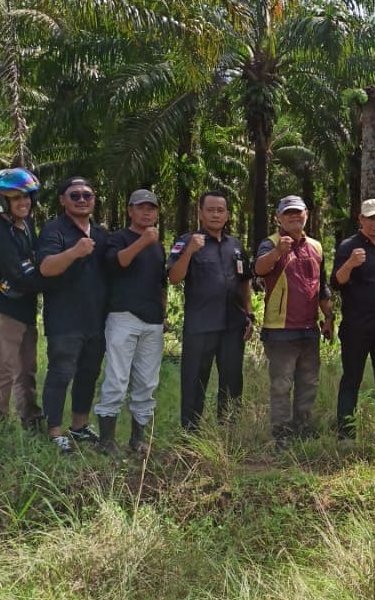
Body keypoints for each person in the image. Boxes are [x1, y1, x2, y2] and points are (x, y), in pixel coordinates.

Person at [253, 195, 334, 446]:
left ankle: (302, 427)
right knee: (281, 384)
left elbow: (322, 288)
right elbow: (259, 269)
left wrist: (329, 317)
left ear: (306, 214)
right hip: (280, 330)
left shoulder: (317, 247)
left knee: (308, 382)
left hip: (310, 329)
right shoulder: (270, 243)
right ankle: (281, 434)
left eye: (297, 212)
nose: (293, 216)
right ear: (278, 218)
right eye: (287, 213)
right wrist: (278, 252)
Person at [167, 191, 252, 430]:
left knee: (232, 380)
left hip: (232, 326)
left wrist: (249, 314)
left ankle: (229, 430)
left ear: (227, 214)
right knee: (195, 382)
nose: (215, 214)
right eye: (210, 210)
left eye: (220, 210)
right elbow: (174, 277)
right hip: (200, 326)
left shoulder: (234, 245)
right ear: (200, 213)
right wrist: (190, 251)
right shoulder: (186, 241)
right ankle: (191, 434)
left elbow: (244, 281)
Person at [92, 189, 167, 457]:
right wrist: (143, 241)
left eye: (152, 208)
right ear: (130, 211)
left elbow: (161, 282)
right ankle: (107, 441)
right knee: (117, 378)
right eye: (141, 207)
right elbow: (119, 262)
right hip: (123, 316)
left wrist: (164, 313)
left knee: (147, 382)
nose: (147, 212)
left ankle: (137, 439)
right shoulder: (119, 238)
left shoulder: (158, 243)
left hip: (153, 321)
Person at [38, 176, 109, 452]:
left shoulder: (101, 233)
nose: (82, 200)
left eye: (87, 196)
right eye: (75, 195)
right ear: (62, 200)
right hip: (64, 318)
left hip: (96, 318)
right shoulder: (54, 230)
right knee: (60, 373)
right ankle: (54, 430)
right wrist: (75, 252)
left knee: (89, 373)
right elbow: (46, 267)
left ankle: (79, 426)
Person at [0, 168, 43, 427]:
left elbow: (35, 263)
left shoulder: (26, 226)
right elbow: (21, 275)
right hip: (2, 308)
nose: (23, 202)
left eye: (26, 196)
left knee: (26, 369)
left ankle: (31, 419)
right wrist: (51, 275)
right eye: (15, 198)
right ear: (2, 201)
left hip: (24, 308)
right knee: (2, 369)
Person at [332, 198, 375, 439]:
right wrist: (350, 263)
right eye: (370, 218)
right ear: (360, 219)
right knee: (351, 379)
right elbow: (336, 282)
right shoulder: (348, 246)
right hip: (356, 327)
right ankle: (346, 435)